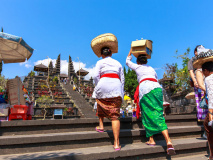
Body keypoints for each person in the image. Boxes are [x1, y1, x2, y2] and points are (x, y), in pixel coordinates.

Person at [126, 49, 175, 155]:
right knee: (159, 114)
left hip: (146, 90)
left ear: (138, 62)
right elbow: (156, 79)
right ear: (146, 61)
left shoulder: (138, 67)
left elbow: (127, 62)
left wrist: (131, 51)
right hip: (157, 89)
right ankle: (168, 141)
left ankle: (152, 139)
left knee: (147, 114)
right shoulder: (152, 69)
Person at [92, 47, 124, 151]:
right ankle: (116, 143)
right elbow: (122, 79)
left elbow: (95, 76)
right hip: (116, 85)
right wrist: (121, 91)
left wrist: (98, 85)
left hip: (103, 83)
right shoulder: (118, 63)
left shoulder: (99, 62)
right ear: (111, 54)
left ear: (102, 55)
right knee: (115, 116)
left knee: (100, 101)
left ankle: (101, 125)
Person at [188, 45, 208, 121]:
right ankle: (201, 116)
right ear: (195, 52)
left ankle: (208, 116)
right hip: (198, 80)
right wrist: (195, 81)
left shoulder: (204, 59)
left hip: (205, 80)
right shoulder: (192, 60)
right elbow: (191, 71)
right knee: (200, 98)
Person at [202, 61, 213, 160]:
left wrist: (210, 112)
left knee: (207, 125)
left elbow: (211, 94)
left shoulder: (208, 79)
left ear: (206, 70)